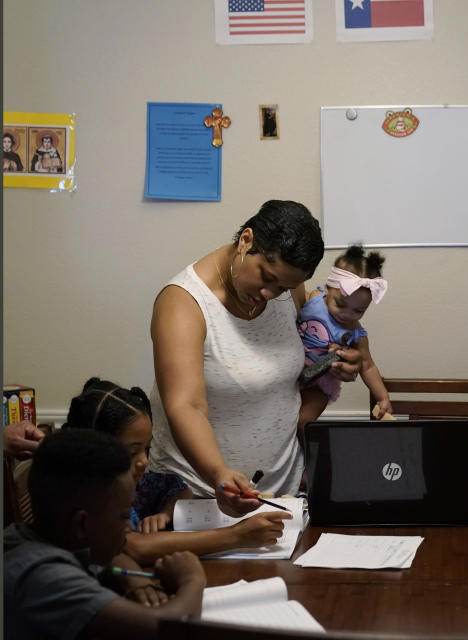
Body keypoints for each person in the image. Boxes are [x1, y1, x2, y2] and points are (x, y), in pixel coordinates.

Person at [148, 200, 361, 517]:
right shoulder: (184, 303)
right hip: (199, 496)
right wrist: (219, 474)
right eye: (266, 277)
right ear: (246, 241)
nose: (270, 294)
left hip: (283, 497)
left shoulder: (288, 287)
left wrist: (343, 359)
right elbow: (186, 406)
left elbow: (316, 336)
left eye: (284, 287)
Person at [64, 377, 292, 565]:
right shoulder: (88, 496)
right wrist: (236, 536)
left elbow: (178, 489)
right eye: (132, 452)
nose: (144, 461)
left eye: (147, 448)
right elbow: (133, 548)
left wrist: (165, 512)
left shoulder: (136, 482)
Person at [4, 429, 206, 640]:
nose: (129, 527)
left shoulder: (36, 536)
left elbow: (111, 557)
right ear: (82, 523)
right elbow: (163, 630)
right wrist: (192, 578)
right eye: (124, 516)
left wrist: (131, 577)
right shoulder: (44, 577)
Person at [297, 244, 392, 418]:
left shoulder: (355, 333)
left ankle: (311, 444)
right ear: (327, 288)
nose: (347, 315)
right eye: (340, 304)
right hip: (291, 372)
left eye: (358, 311)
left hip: (319, 383)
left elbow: (368, 366)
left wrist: (383, 397)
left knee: (303, 420)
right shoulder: (313, 298)